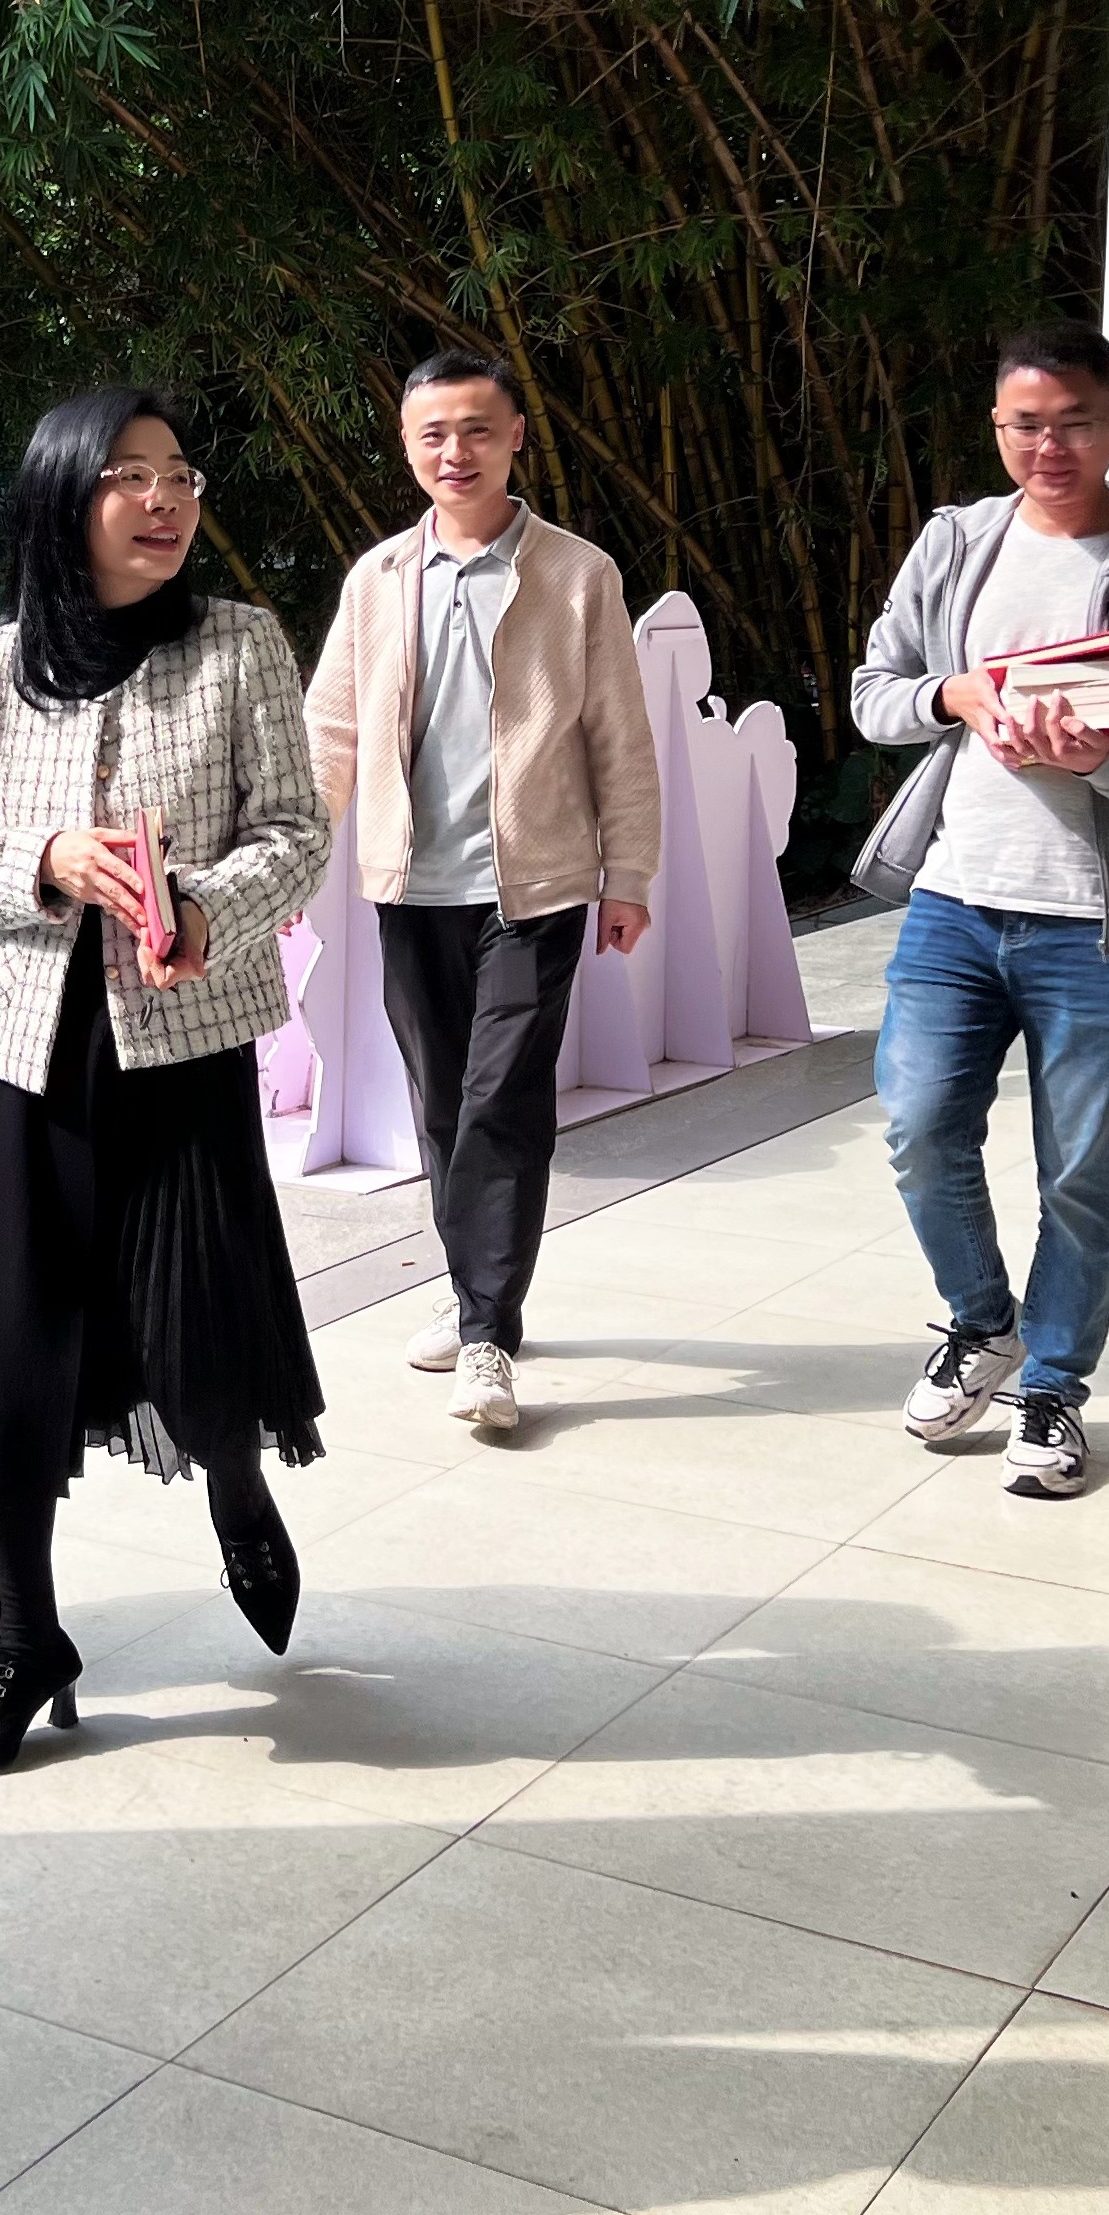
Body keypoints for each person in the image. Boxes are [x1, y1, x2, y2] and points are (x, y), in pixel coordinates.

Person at [0, 389, 332, 1779]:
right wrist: (43, 861)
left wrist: (202, 906)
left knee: (202, 1315)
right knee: (10, 1339)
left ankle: (238, 1489)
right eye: (128, 476)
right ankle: (27, 1636)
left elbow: (296, 831)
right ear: (62, 496)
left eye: (180, 474)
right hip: (23, 1053)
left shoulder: (238, 645)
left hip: (184, 1042)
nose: (163, 500)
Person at [853, 319, 1109, 1501]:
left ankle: (1056, 1388)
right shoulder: (957, 543)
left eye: (1075, 421)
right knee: (919, 1126)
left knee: (1080, 1170)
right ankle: (984, 1321)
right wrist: (955, 693)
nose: (1050, 446)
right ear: (997, 426)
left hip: (1096, 924)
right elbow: (875, 690)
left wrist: (1105, 761)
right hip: (955, 900)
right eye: (1026, 424)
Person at [304, 348, 661, 1442]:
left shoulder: (577, 573)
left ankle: (487, 1331)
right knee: (442, 1102)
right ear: (408, 447)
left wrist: (629, 874)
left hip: (535, 886)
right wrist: (288, 860)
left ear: (515, 437)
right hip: (410, 886)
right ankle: (474, 1293)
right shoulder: (378, 578)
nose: (454, 451)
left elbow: (618, 736)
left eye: (475, 429)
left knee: (504, 1099)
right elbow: (330, 731)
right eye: (432, 434)